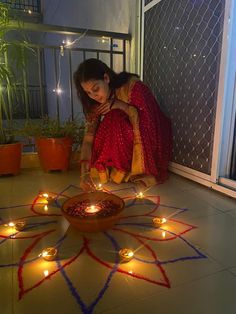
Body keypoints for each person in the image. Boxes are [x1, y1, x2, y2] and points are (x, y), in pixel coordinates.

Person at [73, 58, 172, 191]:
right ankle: (116, 170)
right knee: (107, 123)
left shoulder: (133, 87)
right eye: (88, 93)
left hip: (154, 136)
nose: (93, 96)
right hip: (126, 143)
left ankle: (133, 170)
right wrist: (84, 174)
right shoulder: (95, 103)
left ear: (106, 78)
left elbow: (149, 121)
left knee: (115, 117)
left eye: (95, 89)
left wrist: (121, 106)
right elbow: (89, 137)